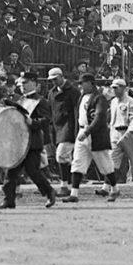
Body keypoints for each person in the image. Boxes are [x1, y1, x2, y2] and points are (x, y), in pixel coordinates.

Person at [0, 71, 57, 210]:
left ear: (34, 83)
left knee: (32, 171)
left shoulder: (41, 101)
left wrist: (33, 122)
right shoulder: (20, 100)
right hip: (18, 141)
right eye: (21, 83)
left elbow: (46, 120)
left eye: (25, 83)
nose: (22, 86)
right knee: (11, 172)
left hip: (33, 142)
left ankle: (49, 192)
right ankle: (9, 200)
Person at [65, 74, 110, 203]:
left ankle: (112, 188)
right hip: (82, 130)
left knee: (105, 163)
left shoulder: (98, 97)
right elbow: (78, 117)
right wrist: (77, 134)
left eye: (83, 83)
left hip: (94, 133)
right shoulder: (82, 97)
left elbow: (99, 116)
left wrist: (88, 131)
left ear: (91, 83)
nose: (80, 86)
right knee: (77, 163)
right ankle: (74, 194)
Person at [105, 78, 133, 202]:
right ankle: (110, 188)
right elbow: (112, 119)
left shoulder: (131, 102)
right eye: (113, 88)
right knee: (112, 161)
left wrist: (129, 133)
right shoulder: (113, 102)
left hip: (129, 132)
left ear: (123, 88)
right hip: (116, 132)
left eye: (117, 88)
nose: (114, 90)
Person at [47, 67, 78, 197]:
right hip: (57, 128)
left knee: (61, 155)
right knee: (67, 158)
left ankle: (65, 185)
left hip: (69, 128)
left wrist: (77, 130)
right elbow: (50, 111)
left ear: (61, 76)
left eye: (55, 79)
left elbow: (77, 112)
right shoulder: (51, 93)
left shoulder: (73, 91)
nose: (54, 82)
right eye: (52, 80)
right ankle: (71, 184)